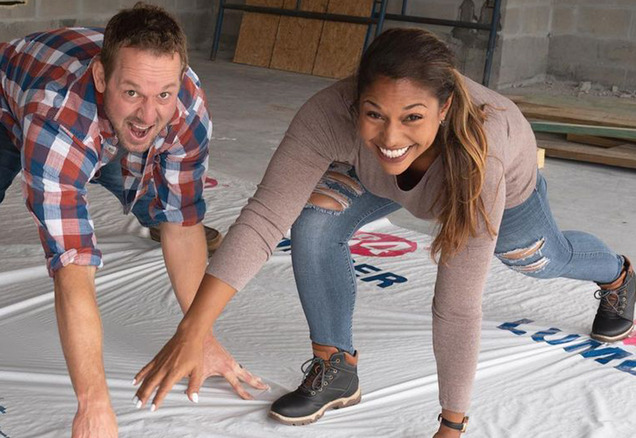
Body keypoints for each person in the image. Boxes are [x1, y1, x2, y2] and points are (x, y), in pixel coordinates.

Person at [131, 28, 634, 436]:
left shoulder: (486, 146)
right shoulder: (328, 115)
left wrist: (451, 426)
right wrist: (192, 330)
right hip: (373, 178)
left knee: (537, 259)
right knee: (313, 224)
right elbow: (265, 218)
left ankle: (618, 276)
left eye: (412, 118)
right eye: (374, 115)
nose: (391, 137)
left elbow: (456, 305)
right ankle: (336, 367)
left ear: (444, 109)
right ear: (355, 105)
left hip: (494, 183)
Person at [0, 3, 266, 437]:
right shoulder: (58, 121)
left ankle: (149, 210)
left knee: (165, 203)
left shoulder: (186, 104)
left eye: (162, 94)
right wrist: (94, 404)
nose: (149, 112)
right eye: (132, 93)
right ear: (102, 77)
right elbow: (73, 270)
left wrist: (200, 335)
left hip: (94, 121)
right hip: (3, 102)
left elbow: (183, 223)